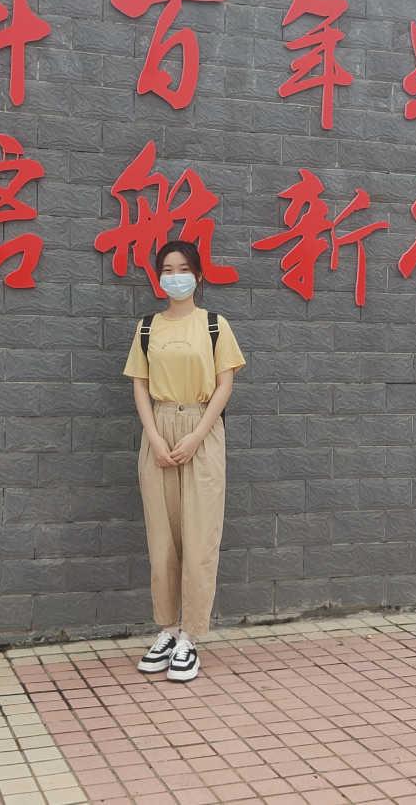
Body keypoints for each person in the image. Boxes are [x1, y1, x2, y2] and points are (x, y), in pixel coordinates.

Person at [123, 240, 245, 682]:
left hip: (201, 430)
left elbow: (224, 385)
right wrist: (154, 436)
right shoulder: (147, 328)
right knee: (162, 540)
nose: (175, 277)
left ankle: (190, 638)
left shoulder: (214, 325)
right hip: (158, 430)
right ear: (158, 277)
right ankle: (167, 630)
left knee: (199, 538)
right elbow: (140, 385)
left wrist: (196, 435)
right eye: (167, 269)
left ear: (198, 275)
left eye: (183, 269)